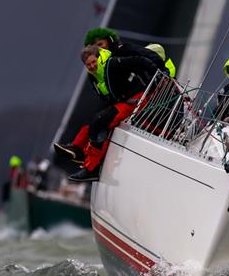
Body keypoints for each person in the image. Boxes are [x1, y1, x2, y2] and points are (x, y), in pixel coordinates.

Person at [57, 44, 165, 182]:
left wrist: (159, 73)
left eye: (93, 62)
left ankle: (91, 168)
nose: (91, 66)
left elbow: (139, 60)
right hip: (123, 102)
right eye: (88, 65)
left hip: (136, 101)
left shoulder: (112, 63)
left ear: (98, 58)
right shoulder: (93, 76)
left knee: (100, 120)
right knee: (95, 121)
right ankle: (76, 148)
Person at [83, 27, 176, 78]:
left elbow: (147, 54)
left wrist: (163, 72)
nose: (99, 49)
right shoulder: (100, 69)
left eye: (100, 44)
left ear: (110, 40)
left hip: (160, 82)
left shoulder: (123, 49)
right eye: (95, 47)